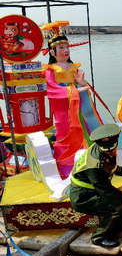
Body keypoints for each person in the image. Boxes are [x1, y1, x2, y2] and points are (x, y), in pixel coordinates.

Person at [42, 21, 103, 178]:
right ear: (52, 52)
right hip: (64, 108)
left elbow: (80, 85)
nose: (66, 50)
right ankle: (67, 163)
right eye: (61, 48)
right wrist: (73, 90)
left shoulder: (73, 67)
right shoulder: (51, 70)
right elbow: (53, 90)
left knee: (86, 126)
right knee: (66, 131)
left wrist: (81, 84)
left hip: (80, 105)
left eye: (67, 47)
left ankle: (92, 157)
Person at [69, 124, 122, 248]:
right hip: (83, 196)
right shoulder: (95, 165)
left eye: (113, 148)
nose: (112, 152)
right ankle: (99, 237)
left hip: (92, 190)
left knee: (121, 203)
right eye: (108, 150)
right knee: (118, 209)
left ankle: (114, 225)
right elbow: (105, 190)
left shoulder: (101, 150)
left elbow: (111, 168)